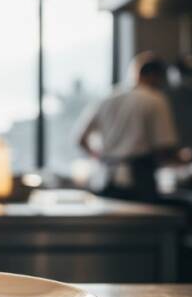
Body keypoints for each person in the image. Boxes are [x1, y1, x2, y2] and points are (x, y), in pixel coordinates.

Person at [76, 53, 179, 202]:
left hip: (105, 178)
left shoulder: (107, 97)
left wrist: (99, 157)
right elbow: (163, 145)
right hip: (138, 180)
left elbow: (80, 139)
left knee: (111, 223)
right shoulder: (155, 99)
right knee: (140, 223)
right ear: (154, 75)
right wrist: (178, 159)